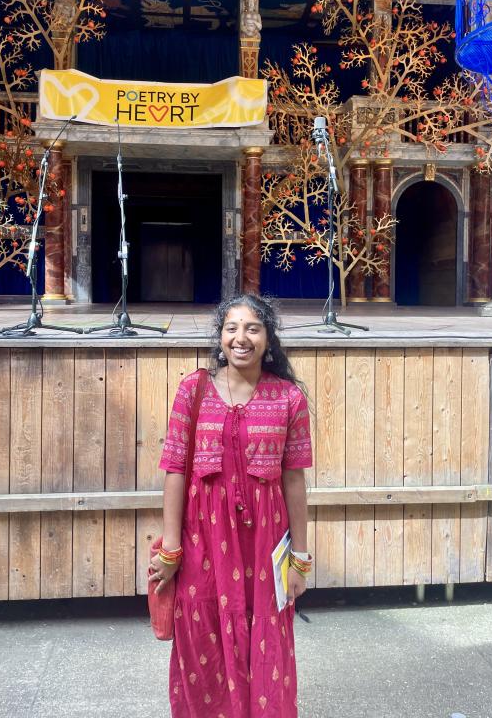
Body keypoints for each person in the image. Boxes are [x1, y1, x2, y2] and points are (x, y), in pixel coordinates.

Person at [149, 294, 313, 718]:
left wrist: (299, 559)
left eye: (253, 328)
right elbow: (174, 470)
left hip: (265, 544)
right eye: (232, 328)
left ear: (269, 339)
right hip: (203, 542)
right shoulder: (193, 389)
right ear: (219, 337)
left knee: (267, 641)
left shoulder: (289, 398)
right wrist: (170, 550)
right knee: (201, 636)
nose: (241, 338)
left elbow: (294, 480)